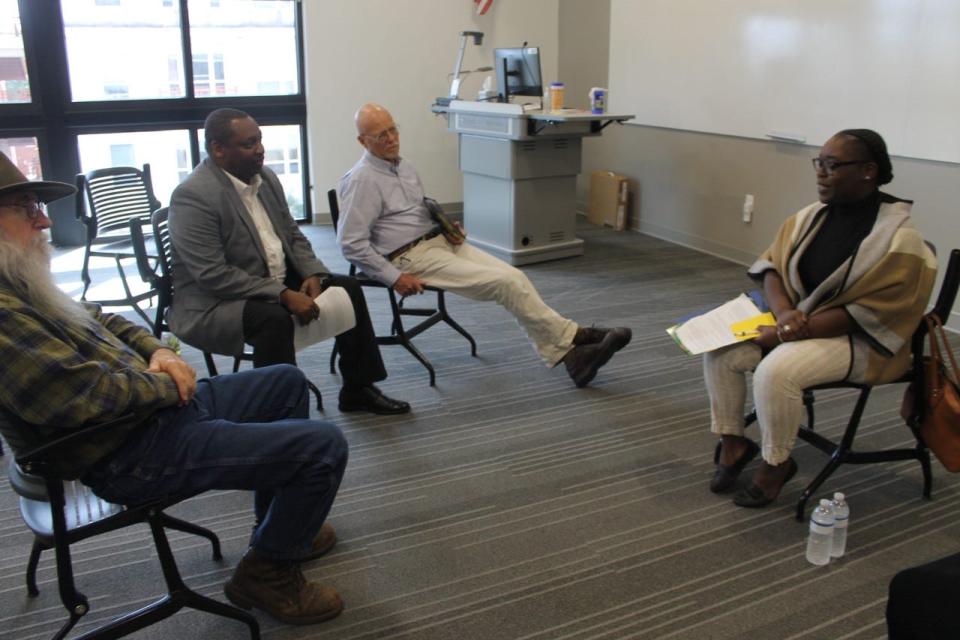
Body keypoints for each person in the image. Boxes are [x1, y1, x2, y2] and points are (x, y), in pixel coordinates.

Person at [0, 152, 348, 625]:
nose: (43, 221)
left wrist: (159, 352)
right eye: (26, 208)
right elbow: (83, 397)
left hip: (148, 415)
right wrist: (165, 383)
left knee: (284, 383)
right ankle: (268, 573)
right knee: (322, 447)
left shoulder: (18, 284)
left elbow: (102, 318)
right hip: (126, 452)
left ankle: (277, 534)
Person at [703, 129, 937, 507]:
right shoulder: (808, 218)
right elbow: (770, 268)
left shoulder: (900, 239)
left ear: (867, 171)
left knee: (776, 371)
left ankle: (775, 462)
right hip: (797, 326)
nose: (821, 173)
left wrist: (787, 334)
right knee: (722, 350)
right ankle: (733, 445)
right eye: (820, 163)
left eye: (833, 165)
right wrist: (784, 316)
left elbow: (875, 313)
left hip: (863, 342)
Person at [337, 103, 631, 387]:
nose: (391, 139)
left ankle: (572, 351)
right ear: (363, 141)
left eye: (393, 129)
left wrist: (446, 226)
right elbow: (350, 244)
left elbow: (417, 210)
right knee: (505, 284)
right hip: (409, 258)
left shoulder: (405, 167)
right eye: (381, 135)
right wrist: (394, 278)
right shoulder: (362, 181)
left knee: (515, 277)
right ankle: (575, 341)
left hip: (439, 242)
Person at [169, 107, 409, 415]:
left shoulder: (265, 178)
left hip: (272, 277)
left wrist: (312, 273)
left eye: (260, 140)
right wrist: (282, 294)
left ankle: (358, 389)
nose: (260, 150)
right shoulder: (193, 196)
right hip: (216, 301)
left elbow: (293, 234)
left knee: (347, 288)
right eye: (248, 144)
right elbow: (212, 274)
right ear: (218, 150)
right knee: (273, 320)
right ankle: (282, 413)